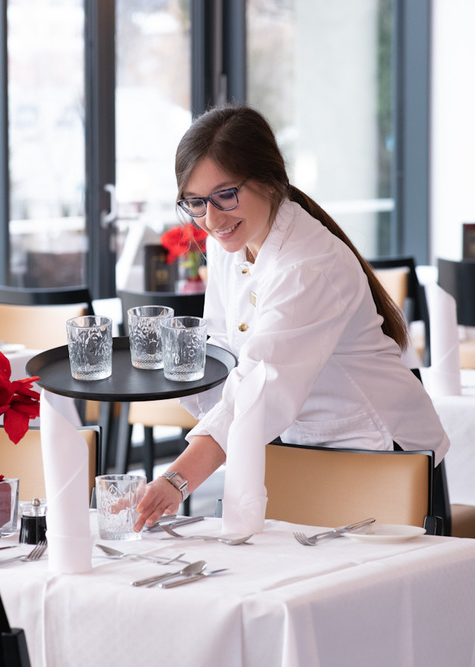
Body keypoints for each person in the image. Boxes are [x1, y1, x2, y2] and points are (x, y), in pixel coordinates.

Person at [133, 105, 450, 530]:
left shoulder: (306, 266)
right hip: (305, 452)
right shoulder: (230, 242)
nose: (211, 219)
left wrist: (176, 479)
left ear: (269, 179)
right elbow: (227, 348)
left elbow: (260, 386)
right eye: (195, 202)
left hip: (385, 456)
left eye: (226, 195)